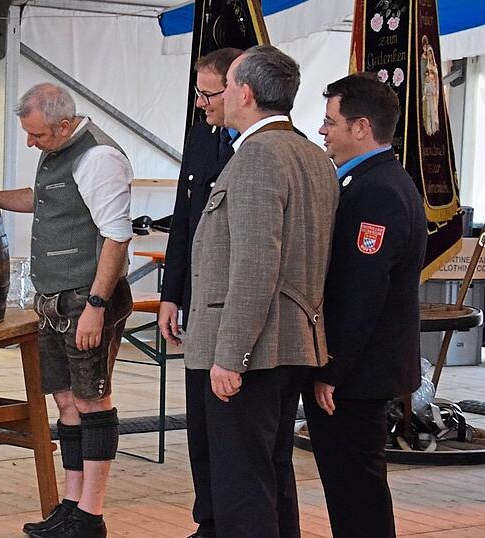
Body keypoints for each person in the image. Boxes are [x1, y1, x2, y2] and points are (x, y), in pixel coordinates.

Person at [185, 46, 338, 538]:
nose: (220, 96)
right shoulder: (312, 155)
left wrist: (230, 355)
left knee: (243, 490)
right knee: (272, 478)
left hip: (254, 350)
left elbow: (255, 264)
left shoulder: (257, 157)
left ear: (245, 94)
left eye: (226, 86)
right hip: (290, 343)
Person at [0, 82, 133, 538]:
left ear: (64, 125)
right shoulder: (59, 148)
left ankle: (91, 516)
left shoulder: (99, 158)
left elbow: (117, 237)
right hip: (53, 299)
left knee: (92, 401)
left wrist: (97, 306)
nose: (30, 143)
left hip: (86, 299)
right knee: (65, 400)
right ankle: (71, 504)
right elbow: (42, 199)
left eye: (37, 135)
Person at [308, 72, 425, 538]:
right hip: (360, 370)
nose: (322, 131)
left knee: (356, 488)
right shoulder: (371, 180)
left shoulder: (375, 190)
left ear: (360, 128)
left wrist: (331, 369)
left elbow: (361, 291)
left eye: (329, 121)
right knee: (351, 487)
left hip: (357, 374)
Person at [156, 47, 242, 538]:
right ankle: (206, 519)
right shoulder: (201, 134)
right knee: (200, 423)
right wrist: (171, 293)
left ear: (237, 90)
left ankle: (228, 523)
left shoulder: (255, 146)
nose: (202, 102)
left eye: (209, 93)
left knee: (231, 427)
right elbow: (184, 219)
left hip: (233, 305)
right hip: (196, 302)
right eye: (199, 92)